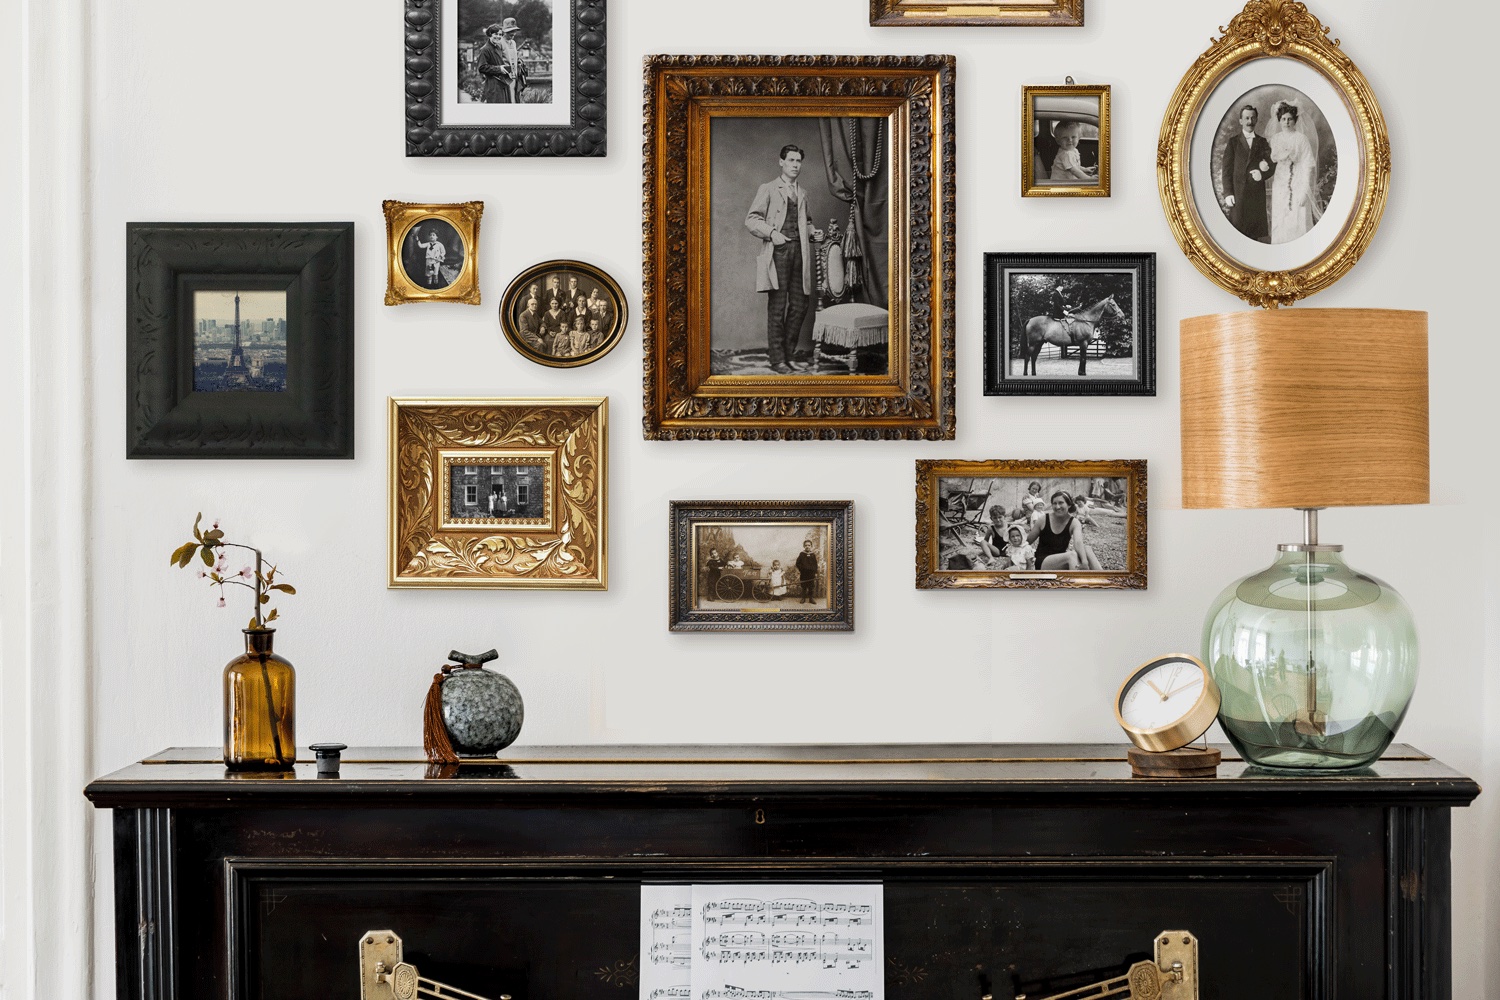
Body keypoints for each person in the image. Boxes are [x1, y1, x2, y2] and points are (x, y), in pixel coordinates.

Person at [745, 144, 824, 374]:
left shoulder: (803, 192)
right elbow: (751, 219)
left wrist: (813, 232)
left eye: (798, 161)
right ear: (781, 162)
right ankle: (777, 359)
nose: (795, 165)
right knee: (777, 306)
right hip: (778, 253)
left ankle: (789, 355)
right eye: (791, 160)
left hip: (800, 254)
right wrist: (772, 233)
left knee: (800, 305)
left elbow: (806, 222)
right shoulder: (768, 189)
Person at [1219, 104, 1275, 243]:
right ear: (1241, 121)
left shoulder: (1262, 142)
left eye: (1252, 118)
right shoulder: (1233, 142)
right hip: (1238, 194)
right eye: (1247, 118)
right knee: (1237, 233)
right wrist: (1228, 193)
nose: (1250, 121)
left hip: (1256, 196)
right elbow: (1226, 170)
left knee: (1254, 237)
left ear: (1256, 120)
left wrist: (1262, 175)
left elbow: (1272, 164)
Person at [1269, 100, 1319, 243]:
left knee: (1298, 216)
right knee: (1281, 217)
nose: (1286, 122)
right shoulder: (1275, 139)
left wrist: (1305, 190)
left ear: (1295, 120)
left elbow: (1308, 165)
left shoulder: (1301, 139)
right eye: (1283, 119)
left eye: (1290, 119)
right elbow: (1275, 158)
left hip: (1298, 180)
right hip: (1280, 182)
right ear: (1279, 120)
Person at [1027, 491, 1081, 571]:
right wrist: (1014, 555)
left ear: (1069, 505)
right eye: (1054, 503)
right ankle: (1076, 582)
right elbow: (1027, 542)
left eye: (1061, 503)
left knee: (1087, 549)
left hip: (1060, 560)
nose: (1057, 506)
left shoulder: (1074, 522)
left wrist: (1085, 562)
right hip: (1042, 561)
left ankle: (1102, 579)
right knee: (1072, 555)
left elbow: (1078, 543)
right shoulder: (1044, 519)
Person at [475, 20, 525, 104]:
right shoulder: (485, 49)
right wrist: (499, 69)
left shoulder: (496, 47)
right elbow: (481, 67)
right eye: (495, 34)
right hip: (493, 83)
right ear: (490, 34)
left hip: (503, 81)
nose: (498, 37)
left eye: (500, 34)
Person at [795, 538, 819, 604]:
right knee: (804, 586)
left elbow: (815, 564)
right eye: (806, 545)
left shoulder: (812, 555)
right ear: (804, 546)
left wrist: (815, 572)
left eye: (809, 545)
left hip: (811, 574)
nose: (807, 546)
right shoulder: (802, 554)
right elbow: (797, 563)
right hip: (804, 574)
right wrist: (802, 569)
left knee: (811, 587)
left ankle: (811, 598)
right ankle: (803, 598)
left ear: (811, 546)